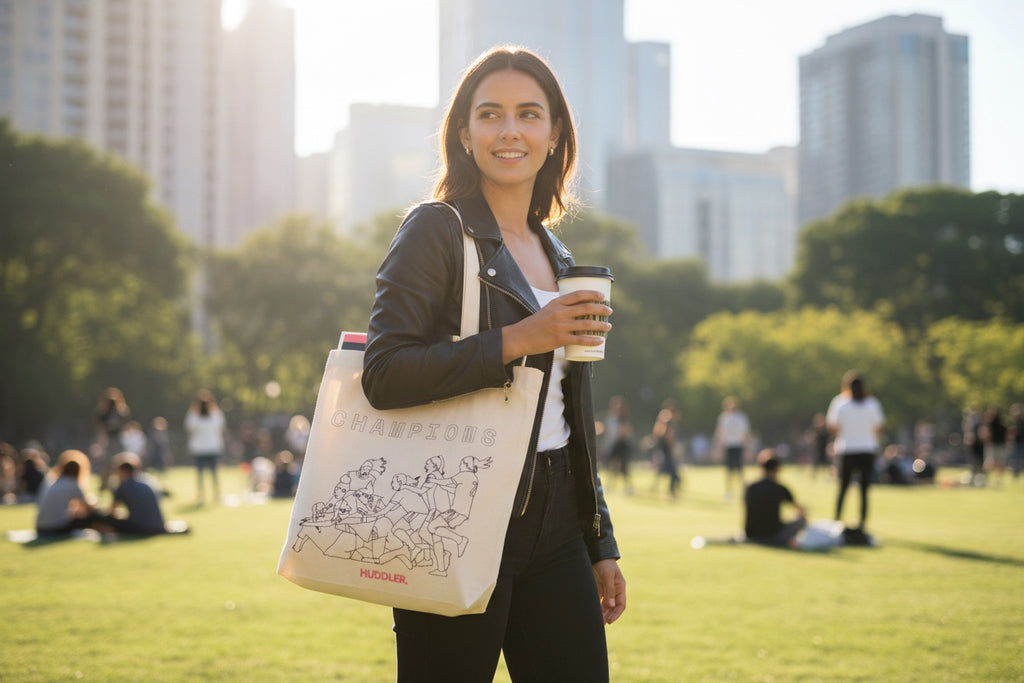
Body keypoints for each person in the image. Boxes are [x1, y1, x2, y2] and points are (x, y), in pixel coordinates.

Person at [360, 46, 625, 682]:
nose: (511, 131)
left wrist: (599, 542)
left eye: (529, 114)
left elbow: (569, 413)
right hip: (455, 506)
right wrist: (521, 337)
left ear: (555, 132)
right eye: (491, 114)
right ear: (464, 132)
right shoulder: (436, 228)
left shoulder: (559, 254)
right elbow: (385, 372)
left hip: (558, 518)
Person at [826, 370, 885, 533]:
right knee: (864, 490)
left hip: (847, 449)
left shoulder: (840, 403)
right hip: (867, 449)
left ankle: (837, 520)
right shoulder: (872, 403)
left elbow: (832, 425)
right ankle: (862, 523)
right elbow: (879, 427)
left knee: (843, 487)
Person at [744, 448, 807, 548]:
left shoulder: (751, 487)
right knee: (801, 520)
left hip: (752, 534)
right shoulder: (780, 488)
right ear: (777, 469)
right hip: (773, 535)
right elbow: (801, 510)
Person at [95, 454, 166, 535]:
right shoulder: (144, 484)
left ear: (123, 472)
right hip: (158, 526)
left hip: (140, 528)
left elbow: (112, 511)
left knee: (104, 518)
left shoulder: (123, 487)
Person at [35, 450, 99, 534]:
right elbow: (88, 507)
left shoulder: (55, 482)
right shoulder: (72, 484)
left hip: (40, 527)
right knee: (92, 517)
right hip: (56, 527)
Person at [184, 389, 226, 505]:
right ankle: (216, 495)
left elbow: (190, 432)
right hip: (212, 447)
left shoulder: (193, 416)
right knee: (213, 473)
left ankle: (202, 496)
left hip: (200, 448)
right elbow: (220, 431)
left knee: (201, 474)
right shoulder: (216, 414)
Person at [713, 396, 751, 501]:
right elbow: (720, 433)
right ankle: (728, 492)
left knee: (740, 471)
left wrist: (747, 449)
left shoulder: (741, 418)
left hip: (738, 446)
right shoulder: (723, 418)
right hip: (728, 446)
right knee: (728, 472)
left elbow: (746, 434)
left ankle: (745, 493)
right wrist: (718, 448)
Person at [94, 387, 131, 491]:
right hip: (110, 440)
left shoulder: (121, 412)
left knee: (119, 463)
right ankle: (104, 485)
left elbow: (124, 426)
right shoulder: (105, 413)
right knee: (108, 464)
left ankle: (121, 483)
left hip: (117, 440)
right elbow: (101, 428)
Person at [600, 395, 635, 495]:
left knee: (624, 468)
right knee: (613, 467)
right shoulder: (610, 419)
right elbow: (608, 432)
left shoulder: (623, 419)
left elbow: (626, 432)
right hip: (614, 446)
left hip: (621, 445)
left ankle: (628, 488)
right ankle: (611, 486)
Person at [650, 399, 682, 499]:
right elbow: (669, 437)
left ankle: (658, 488)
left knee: (664, 470)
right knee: (672, 472)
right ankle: (671, 493)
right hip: (665, 449)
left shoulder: (664, 420)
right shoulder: (667, 421)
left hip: (664, 449)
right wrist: (672, 448)